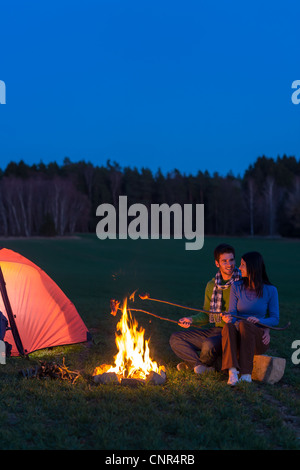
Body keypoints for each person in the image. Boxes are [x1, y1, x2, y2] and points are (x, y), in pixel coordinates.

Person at [169, 244, 242, 374]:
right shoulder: (211, 285)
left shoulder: (242, 282)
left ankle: (195, 365)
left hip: (232, 332)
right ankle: (201, 366)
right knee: (176, 338)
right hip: (215, 330)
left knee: (208, 345)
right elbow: (206, 315)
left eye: (231, 260)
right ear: (217, 263)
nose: (229, 264)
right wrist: (191, 319)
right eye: (224, 261)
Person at [221, 251, 279, 386]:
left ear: (253, 267)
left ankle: (246, 375)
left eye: (242, 265)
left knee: (245, 325)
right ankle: (232, 372)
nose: (239, 268)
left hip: (257, 339)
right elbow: (232, 312)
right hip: (238, 337)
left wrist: (260, 321)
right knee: (228, 326)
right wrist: (228, 318)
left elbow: (275, 319)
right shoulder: (236, 286)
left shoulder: (271, 290)